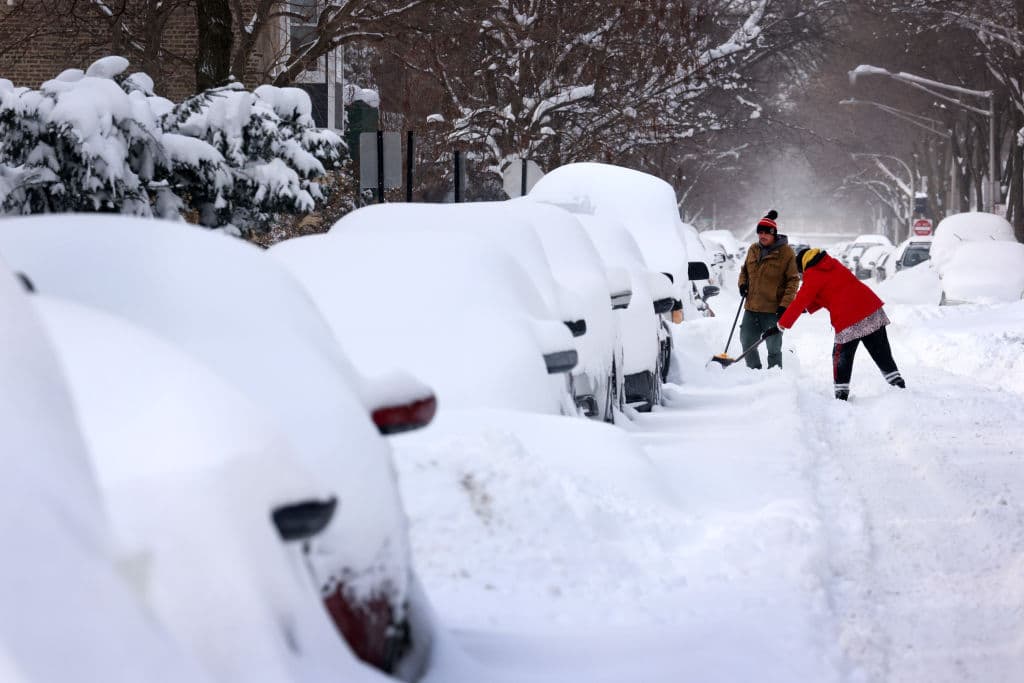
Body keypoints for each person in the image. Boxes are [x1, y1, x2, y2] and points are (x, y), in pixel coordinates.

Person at [767, 247, 906, 400]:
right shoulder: (831, 263)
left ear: (802, 266)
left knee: (841, 357)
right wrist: (805, 309)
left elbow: (801, 300)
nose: (800, 276)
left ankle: (841, 396)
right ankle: (899, 387)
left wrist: (781, 325)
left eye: (799, 272)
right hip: (872, 311)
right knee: (881, 353)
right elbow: (828, 292)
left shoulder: (812, 274)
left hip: (849, 319)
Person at [737, 210, 800, 369]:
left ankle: (775, 378)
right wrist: (743, 284)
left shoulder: (786, 253)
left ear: (774, 234)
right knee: (746, 341)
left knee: (773, 347)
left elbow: (793, 281)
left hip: (773, 310)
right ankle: (754, 372)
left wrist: (784, 305)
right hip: (751, 308)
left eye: (766, 233)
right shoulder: (753, 249)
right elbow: (744, 270)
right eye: (760, 233)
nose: (762, 236)